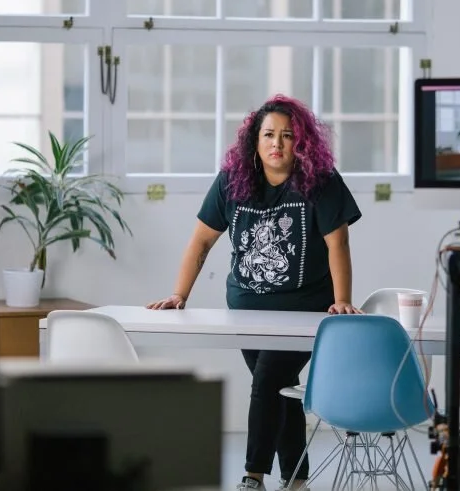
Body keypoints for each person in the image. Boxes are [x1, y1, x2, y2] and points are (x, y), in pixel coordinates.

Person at [146, 94, 363, 491]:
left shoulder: (321, 181)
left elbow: (338, 243)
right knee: (279, 390)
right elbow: (201, 242)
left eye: (286, 135)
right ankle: (296, 480)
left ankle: (253, 476)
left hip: (304, 312)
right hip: (245, 312)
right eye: (268, 135)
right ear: (254, 140)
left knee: (266, 382)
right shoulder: (233, 180)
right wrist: (180, 294)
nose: (276, 144)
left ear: (301, 142)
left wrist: (343, 298)